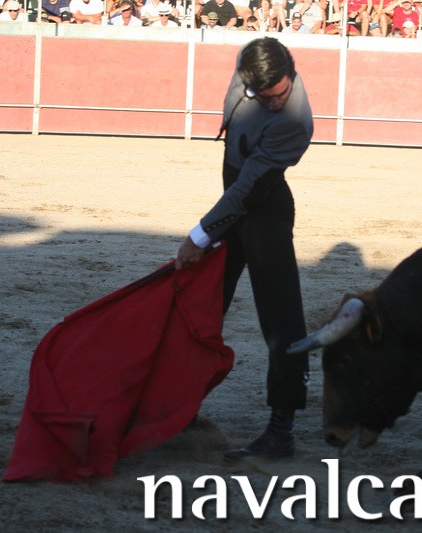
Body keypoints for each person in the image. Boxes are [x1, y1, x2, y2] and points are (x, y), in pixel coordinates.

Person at [175, 38, 313, 463]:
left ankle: (281, 431)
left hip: (264, 209)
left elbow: (250, 186)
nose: (275, 103)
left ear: (291, 71)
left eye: (280, 94)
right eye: (265, 97)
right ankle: (179, 407)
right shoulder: (247, 64)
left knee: (282, 319)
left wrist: (200, 235)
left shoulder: (294, 123)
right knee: (203, 303)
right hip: (232, 200)